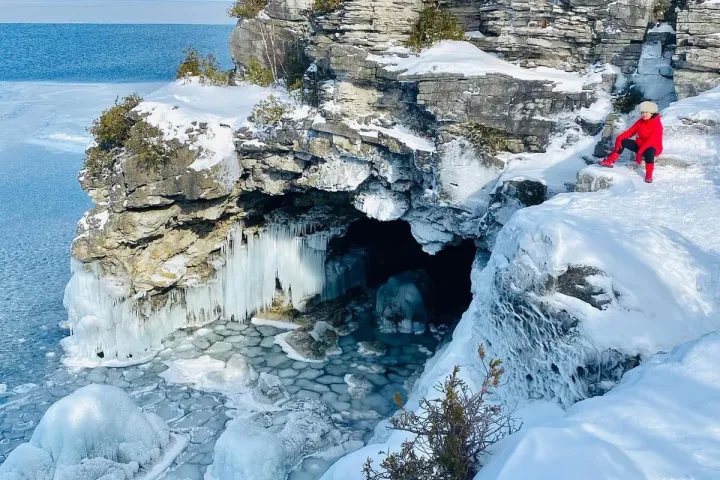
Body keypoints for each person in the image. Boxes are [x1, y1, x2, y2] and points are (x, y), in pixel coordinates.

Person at [599, 101, 663, 183]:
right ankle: (610, 161)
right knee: (623, 141)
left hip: (652, 147)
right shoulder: (640, 122)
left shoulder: (657, 124)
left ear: (652, 113)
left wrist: (639, 153)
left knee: (650, 151)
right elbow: (630, 132)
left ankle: (649, 175)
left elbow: (651, 141)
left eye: (646, 112)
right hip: (640, 144)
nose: (644, 114)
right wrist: (619, 138)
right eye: (642, 112)